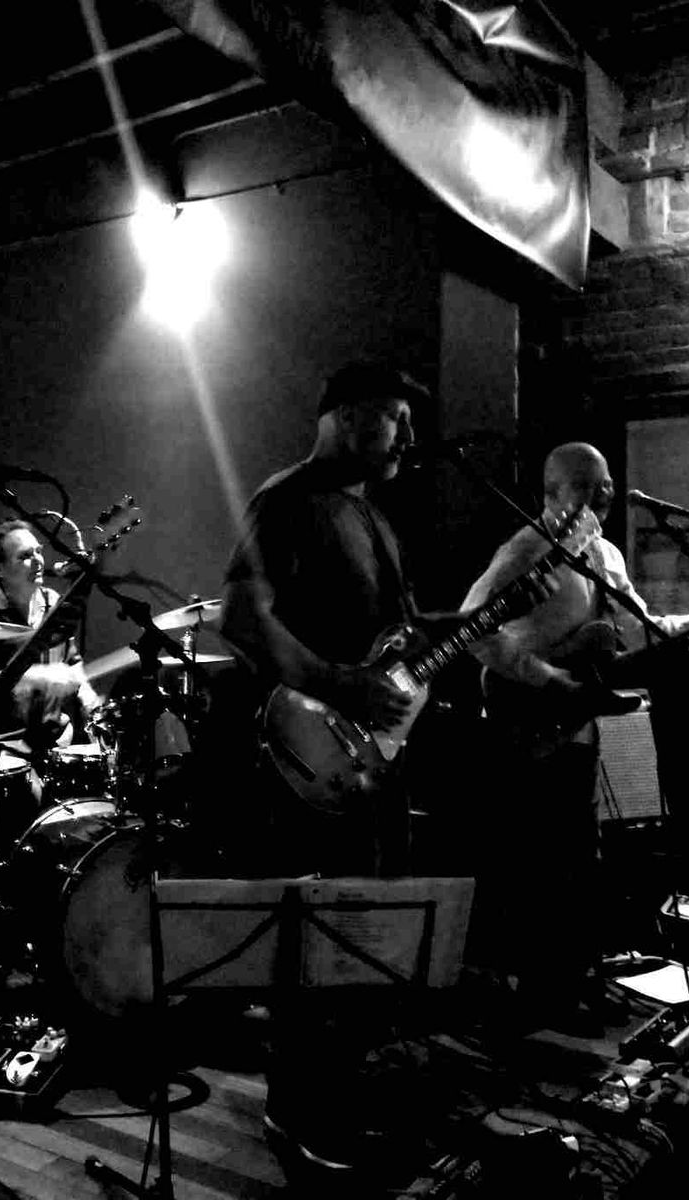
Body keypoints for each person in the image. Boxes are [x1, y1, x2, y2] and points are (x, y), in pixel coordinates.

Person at [219, 361, 469, 1180]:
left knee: (363, 938)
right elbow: (243, 621)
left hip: (369, 767)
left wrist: (478, 623)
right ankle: (299, 1115)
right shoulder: (287, 500)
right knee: (316, 947)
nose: (407, 436)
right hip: (310, 764)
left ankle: (345, 1099)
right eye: (395, 417)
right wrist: (341, 685)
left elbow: (394, 631)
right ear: (344, 416)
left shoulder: (372, 516)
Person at [459, 441, 689, 1029]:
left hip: (579, 727)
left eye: (607, 481)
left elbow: (639, 630)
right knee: (538, 865)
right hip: (526, 724)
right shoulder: (527, 549)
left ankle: (573, 984)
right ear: (552, 493)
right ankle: (540, 997)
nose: (605, 493)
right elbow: (471, 625)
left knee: (579, 862)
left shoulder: (606, 555)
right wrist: (544, 678)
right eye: (588, 485)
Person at [0, 519, 99, 749]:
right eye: (25, 556)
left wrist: (88, 698)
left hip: (51, 739)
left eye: (39, 551)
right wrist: (34, 676)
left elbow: (71, 661)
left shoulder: (52, 601)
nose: (38, 561)